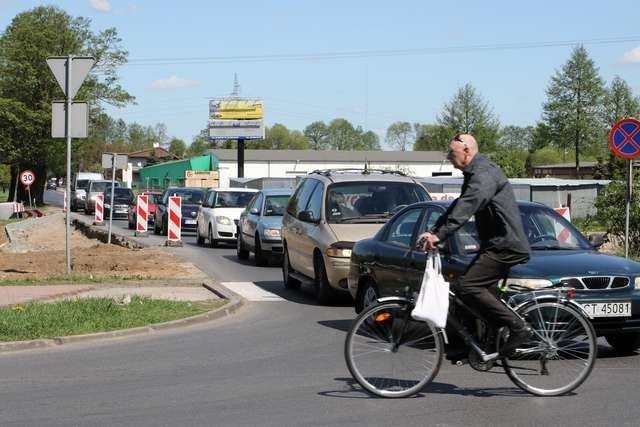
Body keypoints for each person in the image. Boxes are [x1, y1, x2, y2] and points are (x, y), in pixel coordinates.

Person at [417, 133, 532, 356]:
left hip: (505, 245)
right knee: (473, 294)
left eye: (452, 152)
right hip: (495, 244)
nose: (449, 157)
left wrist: (440, 236)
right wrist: (434, 231)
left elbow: (468, 206)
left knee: (467, 286)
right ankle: (489, 340)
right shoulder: (474, 174)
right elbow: (458, 206)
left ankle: (519, 328)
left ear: (467, 150)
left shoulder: (483, 174)